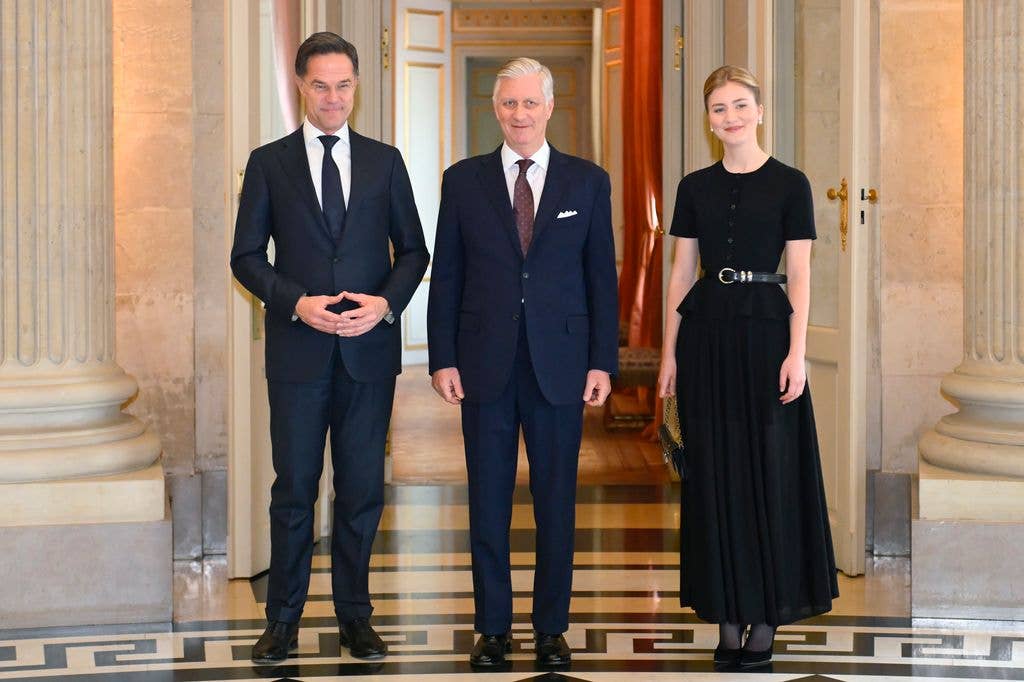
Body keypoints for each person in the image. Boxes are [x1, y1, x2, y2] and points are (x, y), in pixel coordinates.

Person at [230, 32, 429, 664]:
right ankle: (282, 620)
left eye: (344, 84)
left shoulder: (385, 161)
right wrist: (295, 302)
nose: (333, 97)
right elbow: (244, 257)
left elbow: (415, 251)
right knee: (294, 489)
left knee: (362, 489)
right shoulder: (269, 162)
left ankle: (356, 619)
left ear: (357, 86)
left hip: (368, 352)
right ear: (301, 85)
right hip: (297, 352)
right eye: (321, 84)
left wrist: (384, 303)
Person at [427, 57, 618, 668]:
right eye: (509, 103)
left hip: (561, 365)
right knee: (487, 502)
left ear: (550, 107)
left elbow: (600, 280)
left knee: (557, 502)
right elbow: (447, 276)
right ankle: (493, 629)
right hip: (483, 364)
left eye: (530, 103)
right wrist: (441, 358)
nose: (519, 114)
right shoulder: (462, 181)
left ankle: (552, 628)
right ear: (495, 108)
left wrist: (602, 362)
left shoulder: (587, 182)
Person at [657, 65, 839, 671]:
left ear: (759, 112)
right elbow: (682, 274)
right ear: (708, 120)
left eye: (739, 106)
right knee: (714, 476)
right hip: (706, 336)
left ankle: (764, 616)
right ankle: (726, 615)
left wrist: (798, 351)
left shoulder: (792, 184)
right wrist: (668, 355)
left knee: (768, 470)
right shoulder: (694, 185)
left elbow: (803, 273)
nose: (729, 117)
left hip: (768, 337)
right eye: (717, 109)